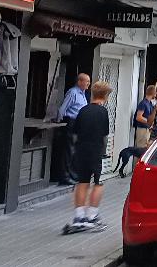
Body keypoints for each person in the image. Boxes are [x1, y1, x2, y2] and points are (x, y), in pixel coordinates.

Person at [64, 80, 112, 233]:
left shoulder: (83, 110)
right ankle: (92, 216)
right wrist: (105, 153)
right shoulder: (103, 112)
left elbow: (76, 131)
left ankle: (79, 217)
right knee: (98, 183)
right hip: (96, 151)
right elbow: (105, 135)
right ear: (106, 96)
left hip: (81, 150)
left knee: (82, 182)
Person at [57, 73, 91, 185]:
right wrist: (59, 122)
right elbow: (63, 109)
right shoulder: (73, 93)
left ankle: (72, 174)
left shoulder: (83, 94)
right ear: (79, 82)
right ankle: (64, 177)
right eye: (87, 81)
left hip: (78, 125)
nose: (88, 84)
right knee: (68, 151)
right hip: (70, 123)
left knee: (74, 151)